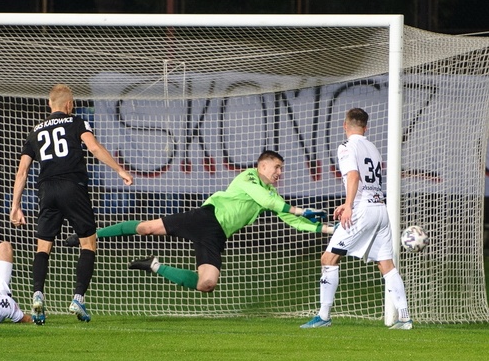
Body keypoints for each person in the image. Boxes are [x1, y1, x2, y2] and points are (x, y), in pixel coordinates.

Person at [75, 150, 332, 294]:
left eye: (281, 169)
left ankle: (154, 266)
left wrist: (328, 228)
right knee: (147, 228)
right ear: (261, 166)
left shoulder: (273, 194)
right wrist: (300, 210)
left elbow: (292, 219)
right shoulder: (249, 178)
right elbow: (268, 202)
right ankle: (89, 235)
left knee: (206, 284)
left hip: (217, 235)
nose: (279, 173)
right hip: (204, 218)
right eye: (276, 167)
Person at [10, 83, 134, 325]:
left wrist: (15, 205)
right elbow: (94, 148)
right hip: (73, 187)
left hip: (46, 190)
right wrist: (119, 169)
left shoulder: (35, 131)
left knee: (43, 247)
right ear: (69, 105)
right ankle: (78, 298)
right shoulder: (76, 122)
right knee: (88, 243)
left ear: (49, 105)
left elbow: (22, 171)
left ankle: (37, 295)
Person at [301, 108, 412, 329]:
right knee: (386, 265)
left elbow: (353, 176)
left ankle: (323, 317)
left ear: (345, 125)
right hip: (380, 210)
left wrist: (348, 206)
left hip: (361, 210)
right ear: (365, 127)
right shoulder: (373, 148)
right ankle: (405, 317)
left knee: (328, 259)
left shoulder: (346, 146)